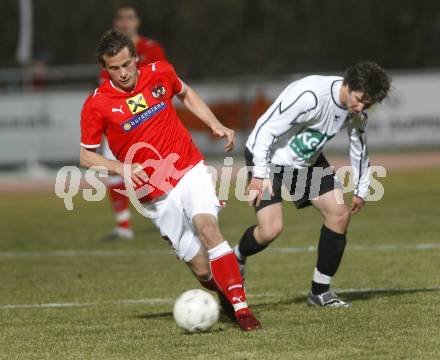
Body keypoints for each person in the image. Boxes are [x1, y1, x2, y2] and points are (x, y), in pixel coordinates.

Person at [80, 29, 261, 331]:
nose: (123, 73)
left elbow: (185, 93)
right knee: (201, 267)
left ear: (135, 58)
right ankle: (227, 297)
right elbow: (86, 157)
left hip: (187, 168)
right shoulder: (97, 104)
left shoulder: (160, 72)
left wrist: (214, 124)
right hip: (151, 192)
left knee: (207, 227)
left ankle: (243, 311)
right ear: (105, 68)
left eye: (127, 64)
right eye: (114, 68)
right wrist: (119, 167)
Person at [234, 61, 391, 307]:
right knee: (270, 230)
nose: (361, 107)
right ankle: (238, 256)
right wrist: (258, 175)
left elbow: (359, 147)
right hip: (268, 158)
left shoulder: (356, 112)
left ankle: (320, 292)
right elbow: (265, 132)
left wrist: (361, 189)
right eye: (360, 99)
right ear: (348, 84)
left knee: (339, 214)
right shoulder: (310, 97)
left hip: (306, 163)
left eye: (368, 104)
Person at [100, 3, 168, 240]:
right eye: (121, 18)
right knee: (113, 170)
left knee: (155, 171)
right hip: (119, 122)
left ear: (137, 21)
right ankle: (123, 226)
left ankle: (165, 216)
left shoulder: (151, 48)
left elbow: (161, 84)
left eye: (130, 17)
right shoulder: (109, 54)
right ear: (116, 23)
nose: (126, 22)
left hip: (148, 121)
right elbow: (106, 88)